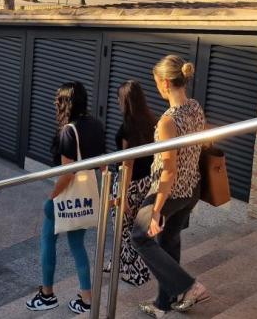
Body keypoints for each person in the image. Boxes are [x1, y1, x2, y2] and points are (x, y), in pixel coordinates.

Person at [132, 57, 210, 317]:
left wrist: (156, 209)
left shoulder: (168, 121)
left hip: (170, 192)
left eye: (156, 82)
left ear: (165, 83)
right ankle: (163, 304)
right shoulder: (195, 106)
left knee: (140, 236)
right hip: (191, 189)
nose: (157, 87)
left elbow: (169, 170)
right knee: (168, 241)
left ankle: (189, 286)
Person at [27, 82, 105, 314]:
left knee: (47, 241)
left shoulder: (69, 131)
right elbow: (102, 163)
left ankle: (47, 294)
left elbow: (67, 173)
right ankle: (87, 298)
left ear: (66, 103)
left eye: (58, 99)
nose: (55, 102)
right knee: (77, 246)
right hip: (84, 197)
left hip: (66, 197)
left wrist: (51, 197)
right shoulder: (96, 125)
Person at [112, 80, 156, 287]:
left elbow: (127, 163)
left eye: (119, 99)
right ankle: (121, 263)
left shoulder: (127, 128)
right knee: (139, 228)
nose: (117, 102)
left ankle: (135, 272)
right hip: (146, 182)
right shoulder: (152, 122)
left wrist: (122, 194)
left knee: (124, 229)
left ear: (126, 101)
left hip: (129, 184)